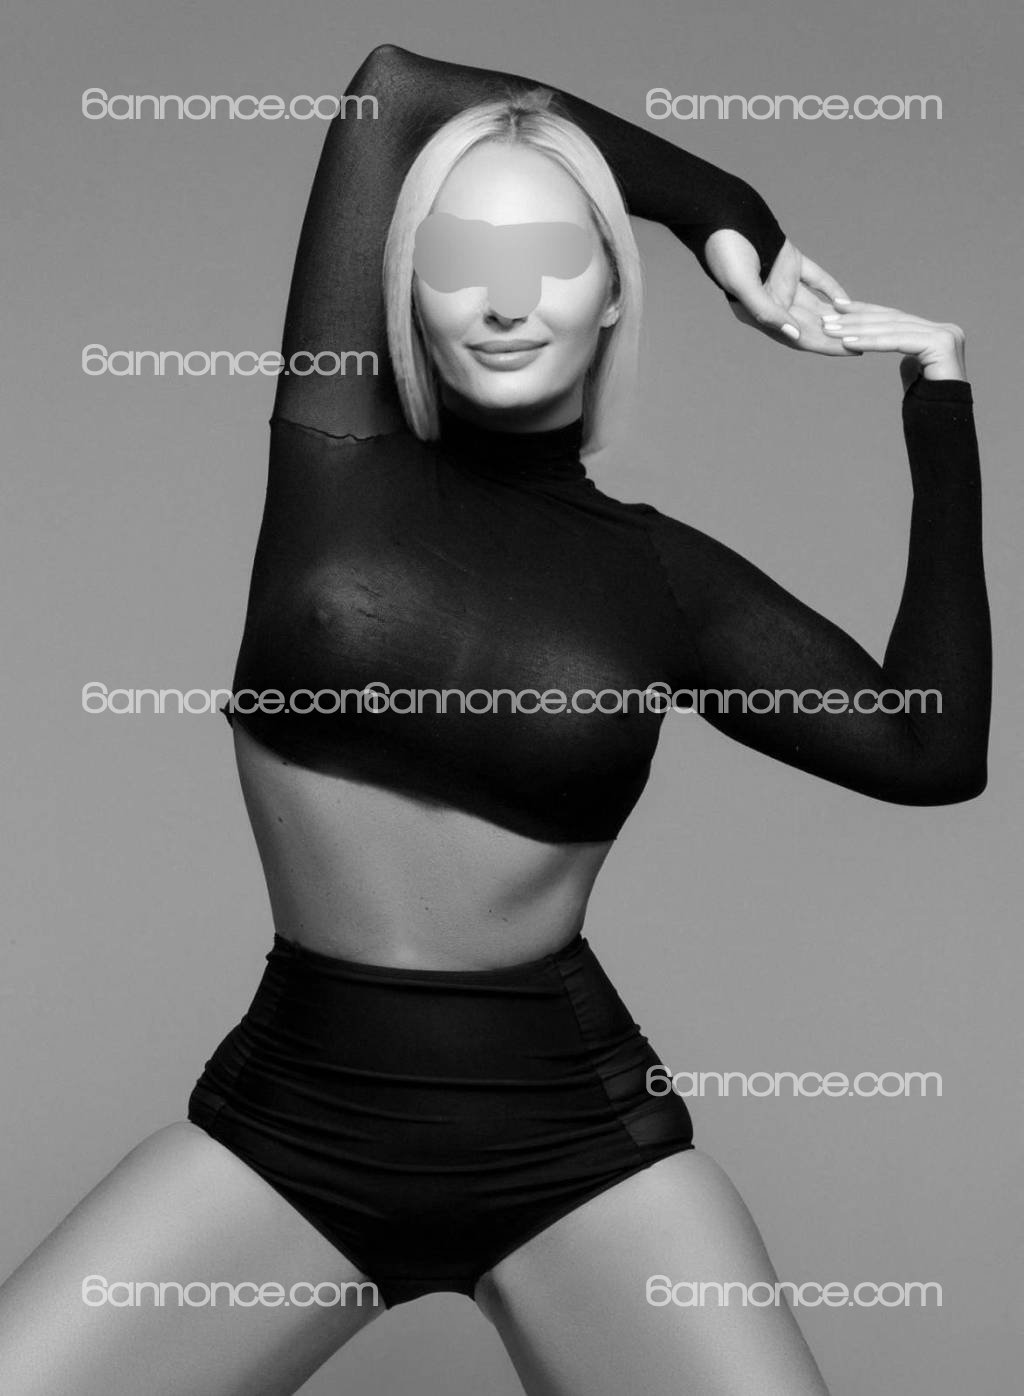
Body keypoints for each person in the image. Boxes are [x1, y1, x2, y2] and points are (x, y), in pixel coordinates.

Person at [0, 42, 990, 1396]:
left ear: (611, 295)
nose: (507, 298)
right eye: (462, 257)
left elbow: (928, 748)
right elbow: (399, 91)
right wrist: (726, 217)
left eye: (555, 259)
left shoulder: (664, 581)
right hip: (291, 1130)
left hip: (574, 1149)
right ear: (402, 287)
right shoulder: (335, 447)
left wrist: (940, 403)